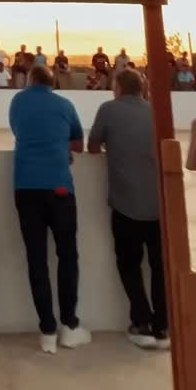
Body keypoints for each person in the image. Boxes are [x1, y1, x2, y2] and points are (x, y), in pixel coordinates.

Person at [9, 65, 89, 353]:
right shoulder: (65, 105)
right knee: (67, 255)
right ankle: (70, 325)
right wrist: (62, 147)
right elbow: (79, 144)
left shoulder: (18, 101)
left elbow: (18, 131)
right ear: (52, 83)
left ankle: (47, 332)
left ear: (30, 80)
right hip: (59, 187)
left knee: (36, 259)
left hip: (26, 187)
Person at [88, 68, 168, 349]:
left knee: (129, 264)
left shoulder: (108, 109)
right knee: (159, 267)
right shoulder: (156, 112)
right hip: (159, 205)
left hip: (126, 204)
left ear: (119, 87)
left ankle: (142, 323)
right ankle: (163, 327)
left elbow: (93, 146)